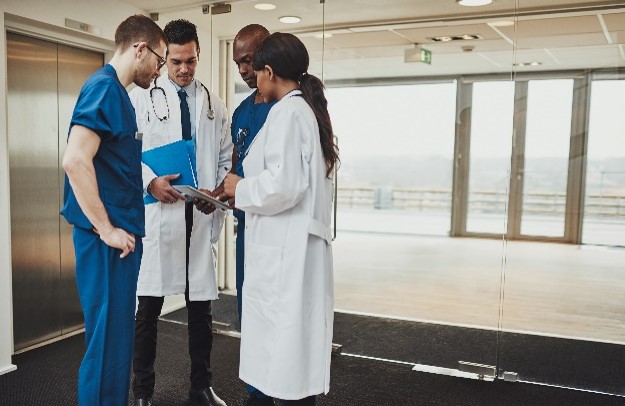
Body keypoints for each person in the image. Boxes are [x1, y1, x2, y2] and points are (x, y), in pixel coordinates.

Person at [223, 32, 339, 406]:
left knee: (287, 358)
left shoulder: (288, 113)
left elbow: (283, 187)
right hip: (291, 250)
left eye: (256, 72)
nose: (253, 79)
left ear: (269, 72)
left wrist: (239, 186)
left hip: (285, 256)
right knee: (290, 358)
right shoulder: (303, 111)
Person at [60, 14, 166, 406]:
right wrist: (105, 228)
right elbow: (75, 160)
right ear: (141, 49)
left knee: (117, 343)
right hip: (105, 241)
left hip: (120, 242)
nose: (159, 71)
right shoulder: (103, 89)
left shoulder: (119, 96)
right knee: (105, 345)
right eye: (159, 59)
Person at [129, 19, 231, 406]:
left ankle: (201, 387)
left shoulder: (213, 104)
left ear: (198, 53)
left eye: (190, 60)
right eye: (175, 62)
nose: (184, 69)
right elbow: (126, 154)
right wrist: (150, 182)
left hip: (199, 217)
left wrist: (216, 191)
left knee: (201, 311)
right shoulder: (142, 97)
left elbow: (223, 159)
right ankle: (142, 393)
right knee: (148, 311)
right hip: (161, 215)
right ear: (164, 57)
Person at [230, 24, 275, 406]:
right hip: (247, 228)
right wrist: (218, 193)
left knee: (278, 312)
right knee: (250, 311)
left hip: (278, 231)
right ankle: (256, 391)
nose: (243, 70)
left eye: (248, 60)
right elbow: (236, 169)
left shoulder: (290, 105)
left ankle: (283, 388)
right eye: (237, 63)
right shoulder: (242, 112)